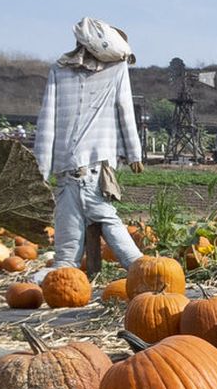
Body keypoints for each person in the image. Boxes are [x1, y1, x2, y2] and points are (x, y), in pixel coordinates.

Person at [33, 17, 145, 271]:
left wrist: (41, 170)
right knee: (96, 222)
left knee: (87, 228)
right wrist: (134, 154)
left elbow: (46, 121)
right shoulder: (68, 71)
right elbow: (125, 112)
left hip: (77, 169)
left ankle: (140, 268)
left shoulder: (67, 70)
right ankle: (140, 268)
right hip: (81, 170)